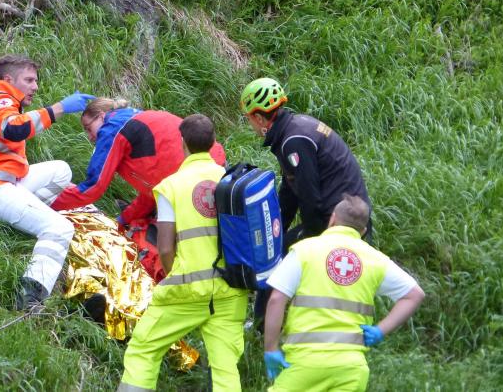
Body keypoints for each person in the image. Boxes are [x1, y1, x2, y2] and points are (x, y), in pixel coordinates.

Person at [0, 54, 95, 309]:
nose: (35, 87)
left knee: (61, 170)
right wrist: (58, 108)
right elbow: (13, 129)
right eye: (29, 80)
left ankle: (28, 214)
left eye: (35, 81)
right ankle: (30, 298)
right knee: (59, 229)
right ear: (8, 80)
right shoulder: (0, 99)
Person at [117, 114, 248, 392]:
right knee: (225, 369)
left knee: (144, 349)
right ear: (213, 143)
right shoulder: (230, 180)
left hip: (187, 287)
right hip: (230, 289)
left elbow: (165, 247)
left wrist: (171, 274)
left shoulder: (171, 186)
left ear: (182, 143)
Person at [263, 194, 425, 391]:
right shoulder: (375, 259)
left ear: (332, 219)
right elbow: (415, 294)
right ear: (363, 231)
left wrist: (271, 348)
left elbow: (277, 299)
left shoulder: (305, 251)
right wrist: (380, 330)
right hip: (351, 368)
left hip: (305, 363)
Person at [240, 77, 372, 247]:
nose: (250, 124)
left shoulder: (293, 142)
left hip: (343, 221)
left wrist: (307, 242)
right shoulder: (293, 128)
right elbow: (290, 192)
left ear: (258, 118)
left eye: (248, 118)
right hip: (340, 212)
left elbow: (309, 197)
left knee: (284, 255)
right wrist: (276, 232)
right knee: (278, 247)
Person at [51, 98, 225, 224]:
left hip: (197, 184)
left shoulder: (114, 127)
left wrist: (49, 205)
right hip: (216, 171)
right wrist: (123, 219)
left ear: (101, 116)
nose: (90, 137)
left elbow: (93, 187)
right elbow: (153, 193)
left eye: (89, 128)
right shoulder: (133, 121)